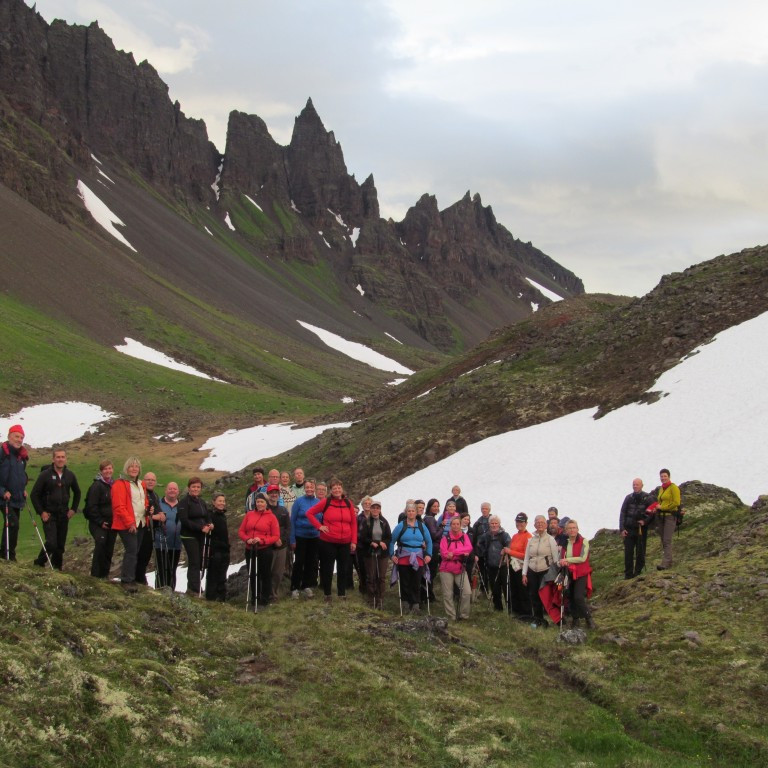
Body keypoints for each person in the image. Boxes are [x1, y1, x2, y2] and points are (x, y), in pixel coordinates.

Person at [306, 477, 357, 602]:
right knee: (327, 568)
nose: (337, 490)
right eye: (334, 488)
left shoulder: (348, 503)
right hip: (328, 541)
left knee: (343, 568)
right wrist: (319, 526)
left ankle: (341, 593)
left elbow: (354, 523)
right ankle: (327, 594)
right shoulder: (326, 502)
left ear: (342, 489)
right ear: (331, 490)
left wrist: (354, 541)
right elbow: (309, 513)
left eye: (339, 488)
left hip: (345, 542)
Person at [30, 447, 81, 570]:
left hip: (64, 514)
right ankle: (39, 562)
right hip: (49, 514)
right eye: (58, 457)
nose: (60, 459)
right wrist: (41, 512)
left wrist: (73, 509)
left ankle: (57, 569)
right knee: (52, 543)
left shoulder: (70, 475)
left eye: (63, 457)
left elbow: (77, 492)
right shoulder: (45, 475)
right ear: (53, 459)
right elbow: (34, 494)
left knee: (60, 546)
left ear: (66, 459)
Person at [110, 457, 148, 591]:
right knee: (131, 550)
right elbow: (119, 506)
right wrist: (129, 522)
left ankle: (131, 578)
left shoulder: (141, 484)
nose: (134, 469)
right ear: (126, 468)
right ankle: (127, 580)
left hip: (141, 522)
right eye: (131, 466)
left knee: (135, 551)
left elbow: (143, 502)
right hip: (127, 524)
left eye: (136, 466)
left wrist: (149, 510)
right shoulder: (119, 484)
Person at [390, 501, 432, 614]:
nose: (411, 513)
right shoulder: (401, 526)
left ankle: (415, 605)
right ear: (406, 512)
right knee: (405, 581)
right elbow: (391, 541)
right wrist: (392, 555)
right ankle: (405, 603)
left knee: (416, 581)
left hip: (418, 557)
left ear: (416, 512)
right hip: (404, 557)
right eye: (409, 511)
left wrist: (428, 554)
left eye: (413, 511)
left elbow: (429, 541)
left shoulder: (422, 526)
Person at [239, 492, 278, 609]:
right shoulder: (249, 515)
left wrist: (262, 540)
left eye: (262, 502)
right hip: (250, 549)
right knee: (252, 574)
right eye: (258, 502)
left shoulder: (272, 517)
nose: (259, 504)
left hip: (264, 550)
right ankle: (254, 599)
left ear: (266, 503)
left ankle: (264, 599)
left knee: (265, 574)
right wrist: (247, 539)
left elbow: (275, 536)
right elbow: (241, 531)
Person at [178, 477, 213, 596]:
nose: (196, 489)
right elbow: (184, 520)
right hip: (189, 536)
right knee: (194, 561)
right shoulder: (184, 502)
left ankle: (194, 586)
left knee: (199, 561)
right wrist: (200, 528)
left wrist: (210, 524)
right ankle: (194, 588)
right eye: (193, 487)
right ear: (189, 488)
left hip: (200, 536)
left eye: (198, 487)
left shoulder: (201, 502)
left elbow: (207, 515)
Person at [522, 515, 559, 627]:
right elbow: (527, 558)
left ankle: (557, 620)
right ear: (534, 525)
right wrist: (524, 573)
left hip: (545, 571)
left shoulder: (550, 539)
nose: (540, 524)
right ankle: (538, 619)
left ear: (546, 525)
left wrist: (556, 574)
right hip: (532, 570)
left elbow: (556, 558)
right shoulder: (531, 540)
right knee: (534, 595)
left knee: (547, 597)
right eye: (538, 522)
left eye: (542, 522)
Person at [558, 519, 594, 628]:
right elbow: (562, 557)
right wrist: (561, 562)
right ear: (566, 531)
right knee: (570, 596)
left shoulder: (584, 541)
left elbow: (583, 558)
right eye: (570, 528)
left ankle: (588, 618)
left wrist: (568, 560)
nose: (572, 530)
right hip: (569, 573)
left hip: (581, 573)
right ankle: (575, 619)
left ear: (578, 529)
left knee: (578, 597)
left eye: (574, 528)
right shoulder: (565, 543)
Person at [0, 424, 29, 561]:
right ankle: (8, 556)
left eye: (21, 437)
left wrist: (23, 488)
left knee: (13, 526)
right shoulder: (2, 453)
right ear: (9, 436)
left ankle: (7, 554)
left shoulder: (21, 457)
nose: (19, 439)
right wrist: (2, 491)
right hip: (3, 497)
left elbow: (21, 475)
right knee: (12, 524)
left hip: (16, 498)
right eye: (16, 436)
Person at [84, 460, 116, 578]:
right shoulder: (96, 486)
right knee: (101, 545)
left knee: (109, 549)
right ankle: (95, 576)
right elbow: (91, 507)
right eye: (105, 469)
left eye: (110, 468)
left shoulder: (114, 485)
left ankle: (105, 575)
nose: (108, 471)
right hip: (98, 524)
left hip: (112, 523)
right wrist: (100, 521)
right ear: (101, 471)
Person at [358, 500, 392, 608]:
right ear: (370, 509)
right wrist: (374, 542)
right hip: (369, 552)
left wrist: (383, 543)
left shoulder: (384, 522)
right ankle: (371, 599)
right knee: (371, 576)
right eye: (373, 508)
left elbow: (388, 537)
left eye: (377, 508)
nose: (375, 510)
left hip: (382, 553)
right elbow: (362, 537)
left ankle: (380, 599)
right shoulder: (366, 522)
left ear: (380, 509)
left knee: (381, 577)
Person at [290, 477, 320, 598]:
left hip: (314, 537)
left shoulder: (318, 502)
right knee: (299, 562)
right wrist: (292, 539)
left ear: (314, 488)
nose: (309, 489)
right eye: (307, 487)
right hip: (300, 536)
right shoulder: (299, 502)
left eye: (311, 487)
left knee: (311, 562)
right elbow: (292, 520)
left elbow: (322, 519)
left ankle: (306, 586)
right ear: (304, 488)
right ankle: (294, 587)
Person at [439, 516, 472, 620]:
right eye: (453, 524)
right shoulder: (445, 538)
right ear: (450, 525)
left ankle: (464, 615)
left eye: (458, 524)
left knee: (467, 592)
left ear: (460, 524)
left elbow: (469, 548)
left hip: (460, 568)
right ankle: (451, 616)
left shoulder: (464, 537)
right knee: (448, 594)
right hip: (446, 569)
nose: (456, 526)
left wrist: (453, 553)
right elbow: (444, 554)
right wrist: (461, 552)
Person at [619, 478, 653, 579]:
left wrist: (645, 521)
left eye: (637, 484)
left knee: (640, 552)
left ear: (642, 485)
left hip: (641, 529)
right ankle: (628, 574)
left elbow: (652, 513)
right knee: (628, 553)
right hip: (629, 529)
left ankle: (638, 572)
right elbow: (623, 513)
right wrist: (622, 529)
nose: (635, 486)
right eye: (634, 484)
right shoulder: (628, 498)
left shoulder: (648, 498)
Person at [476, 515, 511, 611]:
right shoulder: (486, 535)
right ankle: (498, 608)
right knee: (495, 588)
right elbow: (479, 543)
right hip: (491, 566)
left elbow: (509, 545)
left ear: (499, 524)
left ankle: (510, 609)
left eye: (496, 523)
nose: (494, 525)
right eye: (492, 523)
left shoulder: (505, 535)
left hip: (503, 565)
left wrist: (505, 550)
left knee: (506, 588)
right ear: (489, 524)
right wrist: (483, 553)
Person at [135, 471, 164, 585]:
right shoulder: (141, 493)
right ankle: (137, 578)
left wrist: (161, 515)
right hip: (142, 528)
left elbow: (157, 510)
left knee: (146, 556)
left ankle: (141, 578)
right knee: (139, 554)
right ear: (143, 481)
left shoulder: (155, 495)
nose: (151, 482)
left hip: (152, 530)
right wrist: (156, 516)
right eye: (148, 479)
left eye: (153, 480)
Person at [650, 468, 681, 570]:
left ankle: (666, 563)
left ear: (669, 477)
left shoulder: (674, 488)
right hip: (661, 517)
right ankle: (668, 560)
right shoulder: (661, 489)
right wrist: (656, 508)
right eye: (661, 476)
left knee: (667, 539)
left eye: (665, 476)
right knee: (663, 539)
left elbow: (676, 503)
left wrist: (662, 507)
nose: (663, 478)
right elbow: (661, 502)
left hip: (670, 517)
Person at [155, 481, 182, 589]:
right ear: (165, 490)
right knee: (161, 570)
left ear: (178, 492)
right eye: (170, 488)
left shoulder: (182, 506)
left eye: (174, 489)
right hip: (160, 543)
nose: (172, 491)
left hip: (176, 545)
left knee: (172, 570)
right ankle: (159, 591)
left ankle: (171, 592)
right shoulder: (158, 504)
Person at [266, 484, 290, 602]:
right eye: (271, 492)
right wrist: (274, 540)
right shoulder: (265, 510)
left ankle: (273, 595)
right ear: (268, 494)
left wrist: (283, 540)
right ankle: (265, 594)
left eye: (276, 492)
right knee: (267, 571)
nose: (274, 494)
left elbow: (287, 527)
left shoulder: (283, 510)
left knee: (278, 573)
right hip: (267, 546)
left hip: (282, 546)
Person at [205, 493, 230, 602]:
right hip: (215, 550)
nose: (222, 503)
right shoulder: (210, 514)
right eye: (219, 501)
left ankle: (221, 598)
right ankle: (211, 598)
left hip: (225, 549)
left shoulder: (223, 515)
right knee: (213, 575)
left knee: (222, 575)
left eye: (223, 501)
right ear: (214, 502)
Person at [506, 513, 532, 617]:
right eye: (517, 522)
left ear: (526, 523)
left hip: (523, 567)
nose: (519, 524)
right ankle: (515, 611)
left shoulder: (529, 537)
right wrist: (507, 555)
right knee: (514, 588)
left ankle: (525, 613)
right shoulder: (515, 536)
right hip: (513, 566)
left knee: (523, 590)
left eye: (521, 522)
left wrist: (510, 552)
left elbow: (526, 555)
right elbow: (511, 550)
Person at [421, 498, 442, 605]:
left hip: (431, 549)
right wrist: (442, 528)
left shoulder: (430, 518)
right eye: (434, 506)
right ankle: (428, 596)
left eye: (437, 506)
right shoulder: (430, 519)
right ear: (429, 507)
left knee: (429, 573)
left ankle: (429, 595)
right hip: (432, 549)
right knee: (431, 573)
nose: (436, 508)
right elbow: (434, 535)